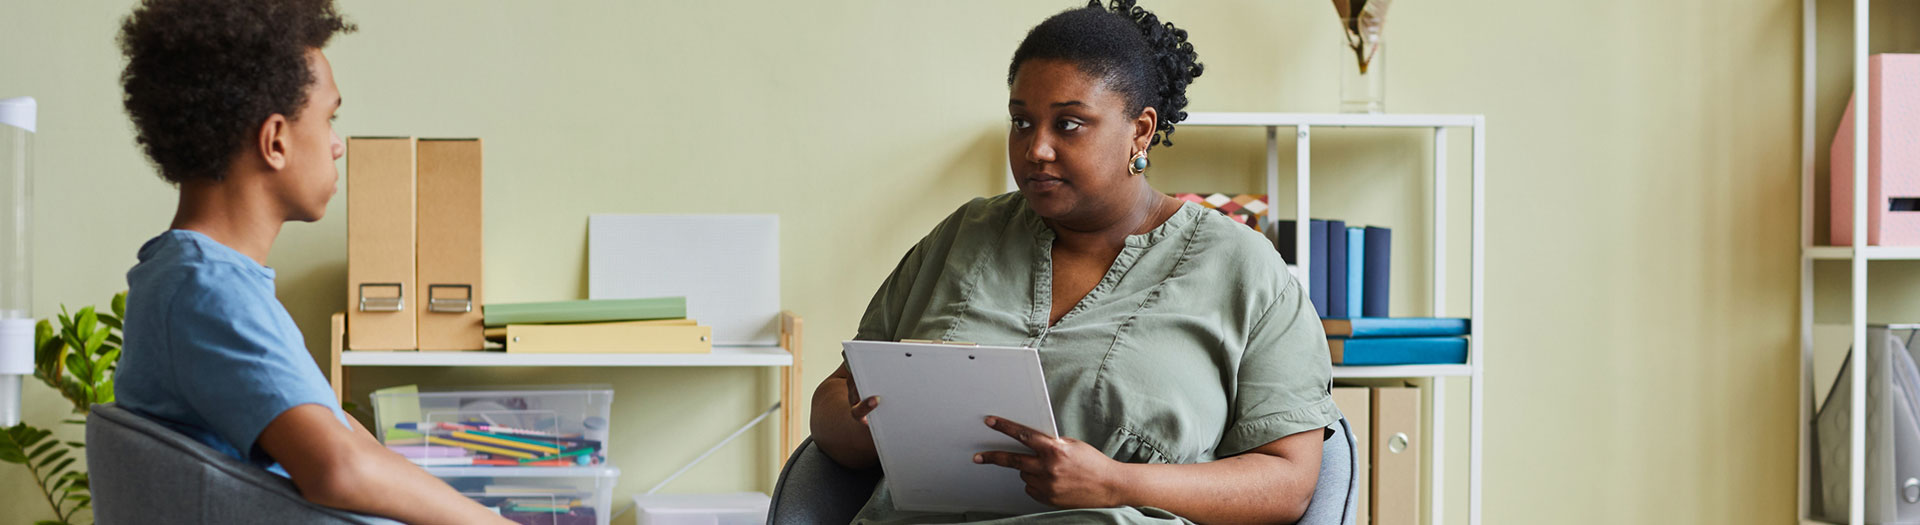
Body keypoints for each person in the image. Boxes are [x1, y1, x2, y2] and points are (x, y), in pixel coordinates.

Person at [809, 1, 1341, 523]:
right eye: (1021, 122)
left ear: (1141, 130)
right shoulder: (964, 236)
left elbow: (1289, 481)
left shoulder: (1242, 267)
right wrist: (876, 426)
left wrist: (1117, 484)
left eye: (1068, 125)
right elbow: (835, 400)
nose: (1036, 148)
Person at [112, 1, 509, 522]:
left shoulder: (206, 280)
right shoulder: (205, 289)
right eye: (329, 118)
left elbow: (352, 442)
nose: (337, 145)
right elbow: (339, 468)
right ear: (275, 140)